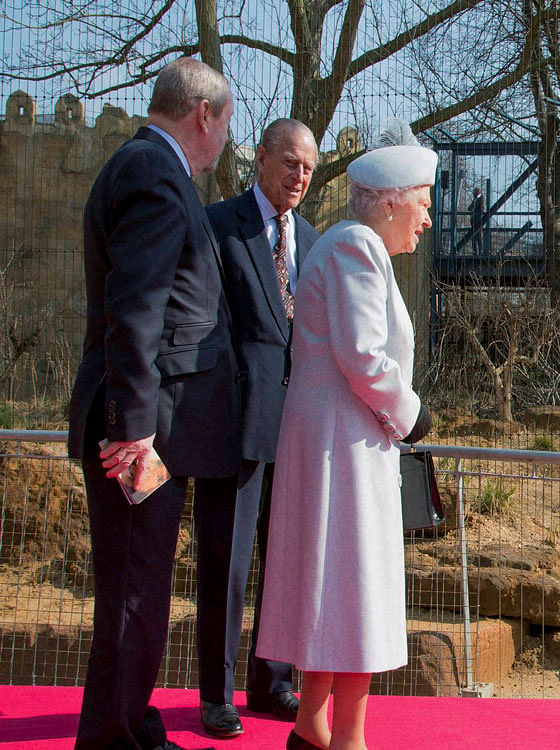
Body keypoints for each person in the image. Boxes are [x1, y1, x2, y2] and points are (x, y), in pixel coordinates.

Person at [66, 57, 239, 750]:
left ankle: (132, 721)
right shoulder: (152, 174)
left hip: (149, 425)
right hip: (142, 431)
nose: (225, 140)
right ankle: (115, 737)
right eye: (226, 125)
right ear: (204, 115)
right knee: (135, 593)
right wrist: (133, 430)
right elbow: (134, 310)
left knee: (139, 590)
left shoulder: (146, 169)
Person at [255, 122, 435, 750]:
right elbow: (365, 357)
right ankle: (347, 736)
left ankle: (313, 728)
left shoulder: (341, 243)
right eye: (424, 203)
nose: (428, 220)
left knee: (330, 590)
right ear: (390, 201)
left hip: (336, 444)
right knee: (356, 593)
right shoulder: (358, 246)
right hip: (345, 450)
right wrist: (415, 416)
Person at [192, 119, 320, 737]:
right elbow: (201, 326)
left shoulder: (315, 241)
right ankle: (216, 697)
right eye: (291, 163)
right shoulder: (219, 226)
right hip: (233, 429)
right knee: (228, 565)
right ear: (263, 158)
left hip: (298, 435)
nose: (299, 177)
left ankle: (274, 685)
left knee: (286, 566)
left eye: (310, 169)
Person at [468, 186, 486, 254]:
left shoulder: (481, 198)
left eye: (474, 192)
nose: (473, 193)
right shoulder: (475, 199)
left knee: (478, 234)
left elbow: (481, 207)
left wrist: (474, 208)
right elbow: (469, 208)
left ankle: (480, 250)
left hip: (478, 218)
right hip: (473, 218)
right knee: (474, 235)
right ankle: (475, 250)